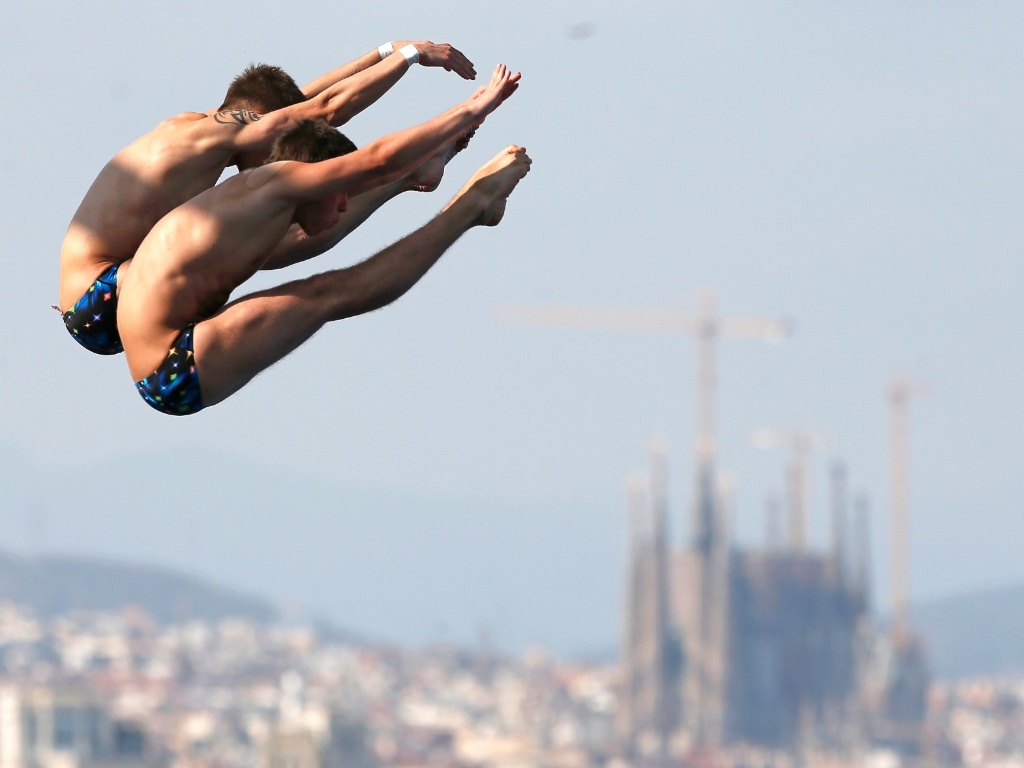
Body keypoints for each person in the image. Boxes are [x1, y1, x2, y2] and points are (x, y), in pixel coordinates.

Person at [116, 65, 530, 416]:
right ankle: (475, 205)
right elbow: (377, 159)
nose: (347, 205)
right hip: (173, 371)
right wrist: (471, 108)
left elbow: (360, 164)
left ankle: (416, 172)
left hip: (174, 336)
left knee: (312, 231)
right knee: (328, 292)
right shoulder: (273, 185)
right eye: (341, 195)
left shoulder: (264, 200)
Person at [58, 40, 476, 355]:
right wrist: (411, 55)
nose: (279, 159)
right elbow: (327, 110)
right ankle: (406, 175)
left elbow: (302, 109)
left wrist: (383, 52)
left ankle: (406, 176)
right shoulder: (220, 135)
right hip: (100, 297)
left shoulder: (201, 128)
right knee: (275, 218)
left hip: (98, 298)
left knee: (274, 205)